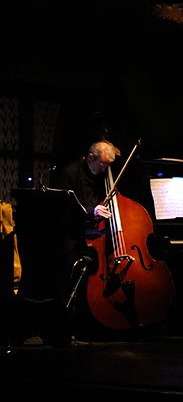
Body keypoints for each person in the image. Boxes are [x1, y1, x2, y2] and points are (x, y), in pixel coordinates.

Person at [53, 140, 121, 341]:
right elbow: (64, 209)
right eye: (102, 165)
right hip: (70, 236)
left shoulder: (100, 175)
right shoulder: (69, 173)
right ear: (91, 157)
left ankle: (89, 326)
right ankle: (64, 331)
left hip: (93, 235)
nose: (104, 170)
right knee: (68, 281)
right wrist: (92, 211)